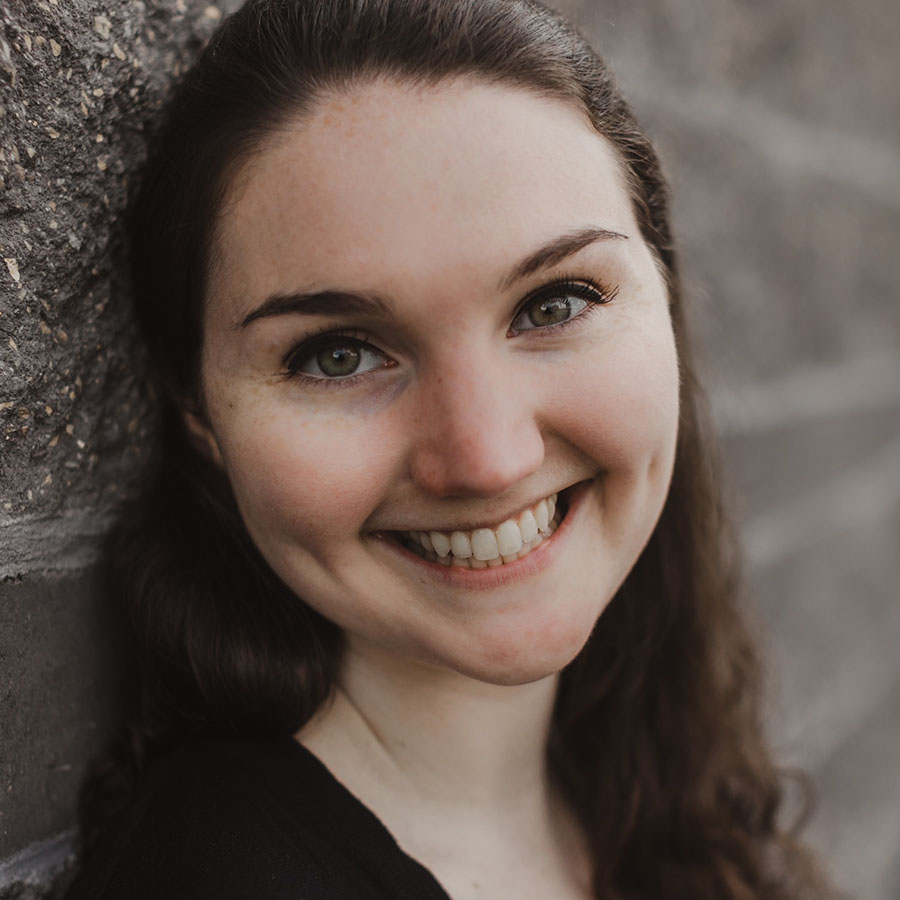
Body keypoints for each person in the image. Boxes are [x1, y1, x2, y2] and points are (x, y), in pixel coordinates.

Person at [65, 1, 833, 898]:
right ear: (197, 415)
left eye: (555, 303)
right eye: (338, 355)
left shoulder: (647, 782)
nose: (488, 459)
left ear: (664, 296)